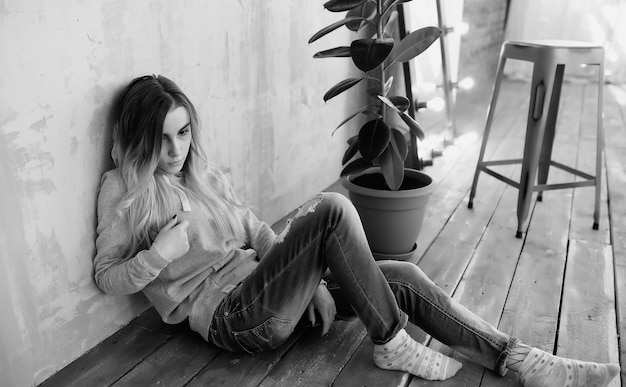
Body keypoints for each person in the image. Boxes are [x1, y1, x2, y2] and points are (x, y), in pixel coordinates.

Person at [94, 74, 619, 386]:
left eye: (183, 132)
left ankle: (521, 360)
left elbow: (255, 230)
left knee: (406, 277)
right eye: (161, 140)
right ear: (138, 140)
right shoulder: (123, 190)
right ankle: (391, 341)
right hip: (235, 319)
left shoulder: (200, 173)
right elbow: (107, 276)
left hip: (272, 294)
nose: (176, 150)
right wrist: (158, 255)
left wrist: (311, 283)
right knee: (331, 207)